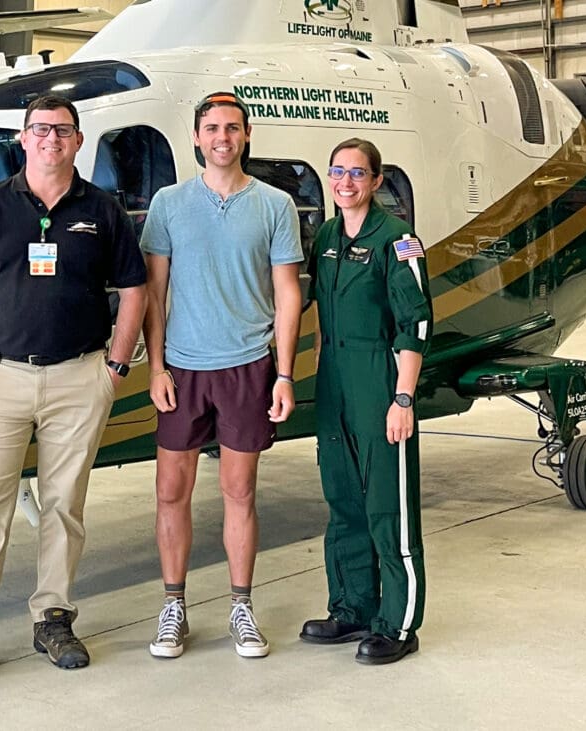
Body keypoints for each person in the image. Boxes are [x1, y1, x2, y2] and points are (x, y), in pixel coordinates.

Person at [0, 94, 147, 689]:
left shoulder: (102, 212)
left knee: (64, 506)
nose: (52, 139)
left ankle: (53, 616)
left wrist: (116, 367)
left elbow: (135, 288)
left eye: (63, 131)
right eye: (41, 130)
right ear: (23, 139)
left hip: (80, 377)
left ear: (79, 142)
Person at [140, 91, 303, 659]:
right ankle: (173, 606)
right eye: (211, 128)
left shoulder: (275, 205)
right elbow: (153, 294)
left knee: (239, 491)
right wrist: (155, 366)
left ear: (247, 135)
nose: (222, 138)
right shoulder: (167, 203)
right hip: (183, 370)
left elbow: (287, 294)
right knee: (170, 492)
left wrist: (283, 375)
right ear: (196, 137)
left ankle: (240, 606)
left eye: (232, 128)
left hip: (247, 367)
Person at [299, 138, 432, 665]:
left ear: (377, 181)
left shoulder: (397, 239)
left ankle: (397, 623)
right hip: (333, 380)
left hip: (380, 378)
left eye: (358, 173)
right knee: (344, 501)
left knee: (388, 508)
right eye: (338, 171)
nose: (346, 182)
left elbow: (416, 322)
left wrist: (403, 398)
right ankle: (352, 606)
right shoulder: (327, 235)